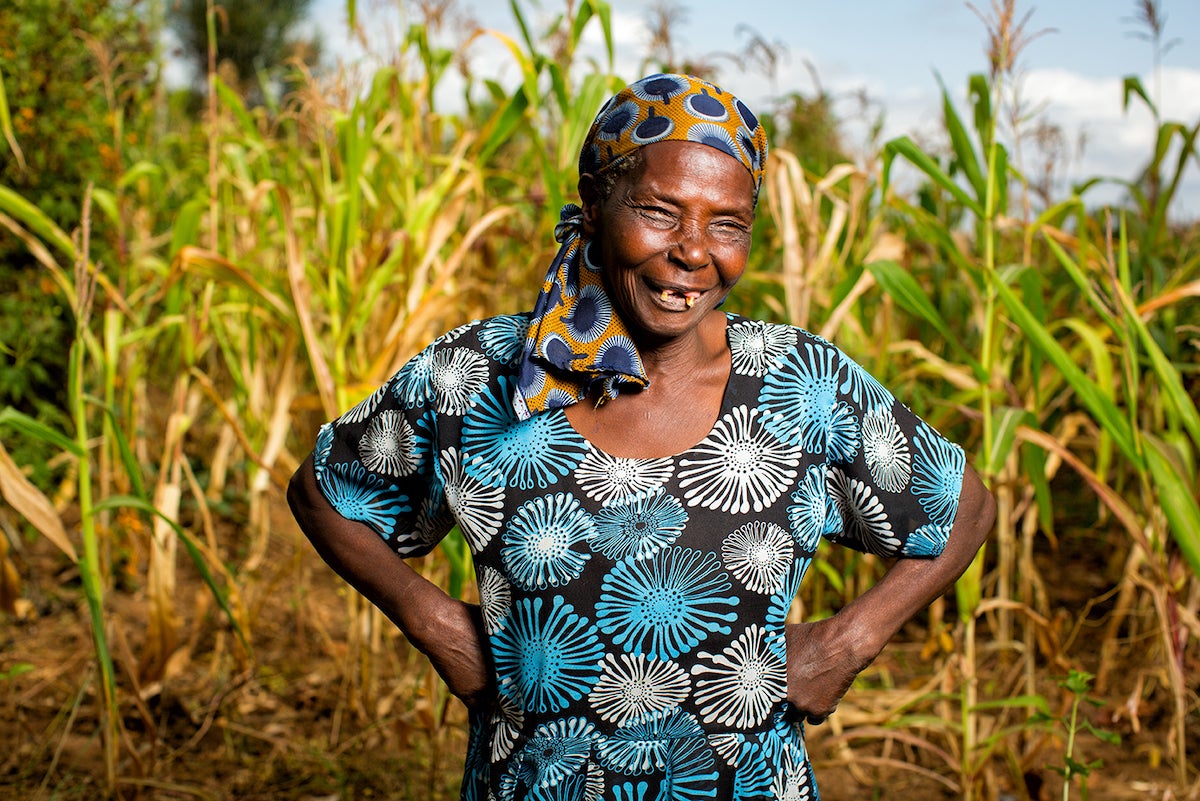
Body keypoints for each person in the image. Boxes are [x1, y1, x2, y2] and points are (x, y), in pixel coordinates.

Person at [288, 73, 995, 800]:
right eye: (660, 211)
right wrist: (435, 623)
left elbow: (964, 506)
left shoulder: (799, 384)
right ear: (594, 207)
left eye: (727, 223)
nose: (693, 251)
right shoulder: (481, 375)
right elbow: (325, 491)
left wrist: (848, 641)